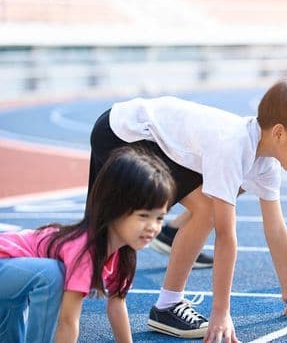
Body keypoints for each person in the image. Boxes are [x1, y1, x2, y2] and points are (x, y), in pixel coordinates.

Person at [87, 81, 287, 341]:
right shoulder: (232, 146)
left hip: (149, 136)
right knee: (202, 210)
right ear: (279, 133)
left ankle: (165, 304)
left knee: (101, 230)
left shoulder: (266, 164)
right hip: (123, 132)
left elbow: (276, 228)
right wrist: (220, 313)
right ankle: (166, 305)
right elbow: (225, 235)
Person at [0, 146, 176, 342]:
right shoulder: (85, 251)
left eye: (160, 218)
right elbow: (67, 322)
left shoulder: (123, 253)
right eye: (143, 216)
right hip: (5, 268)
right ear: (113, 208)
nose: (153, 226)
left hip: (11, 292)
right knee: (52, 274)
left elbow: (117, 305)